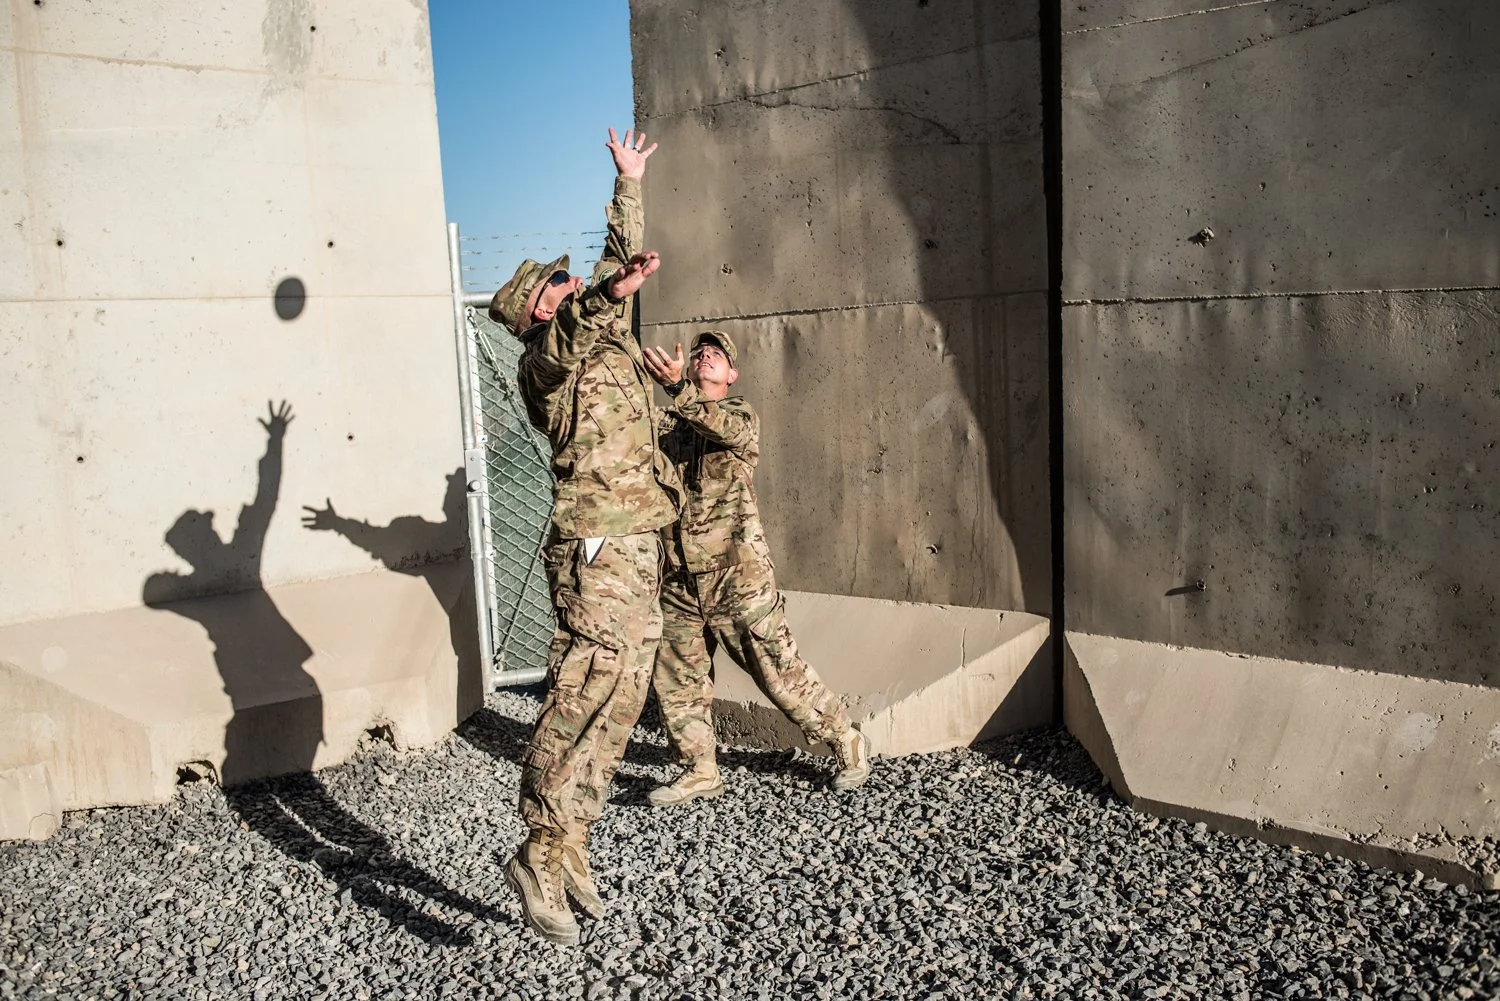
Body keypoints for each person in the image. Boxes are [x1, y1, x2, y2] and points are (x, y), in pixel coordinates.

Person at [486, 128, 681, 945]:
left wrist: (628, 183)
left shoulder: (599, 326)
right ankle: (537, 846)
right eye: (562, 281)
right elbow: (587, 311)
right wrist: (604, 294)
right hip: (595, 546)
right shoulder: (545, 362)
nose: (580, 282)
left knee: (625, 697)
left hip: (640, 538)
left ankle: (573, 841)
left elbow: (615, 267)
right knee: (582, 690)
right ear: (542, 305)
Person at [641, 331, 870, 807]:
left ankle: (844, 737)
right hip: (678, 578)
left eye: (717, 355)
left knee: (776, 672)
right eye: (699, 353)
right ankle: (698, 769)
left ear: (732, 375)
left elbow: (722, 430)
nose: (705, 357)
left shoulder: (740, 416)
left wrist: (677, 388)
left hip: (737, 576)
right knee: (678, 681)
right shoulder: (665, 423)